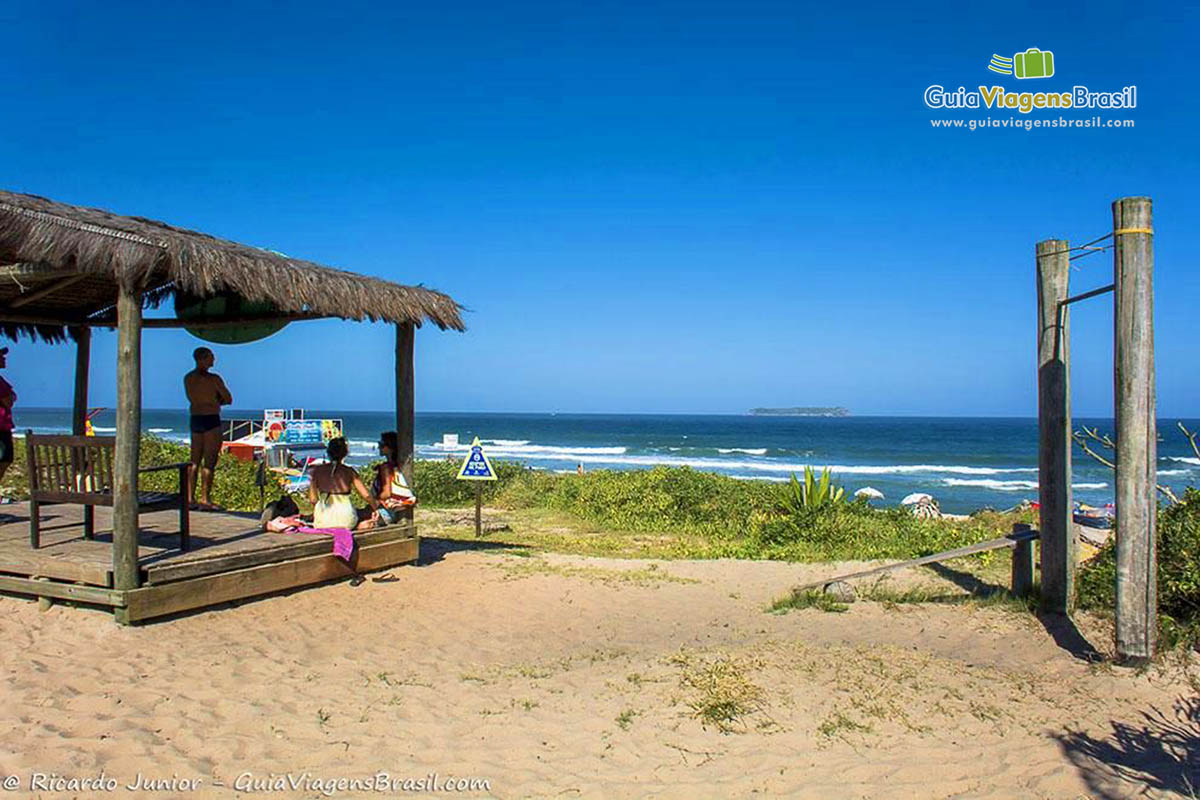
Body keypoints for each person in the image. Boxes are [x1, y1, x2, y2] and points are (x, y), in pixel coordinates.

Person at [184, 346, 233, 510]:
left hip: (196, 418)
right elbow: (228, 398)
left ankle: (189, 498)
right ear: (203, 358)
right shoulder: (213, 379)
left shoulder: (188, 378)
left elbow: (193, 397)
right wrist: (215, 400)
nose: (213, 360)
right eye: (211, 357)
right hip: (211, 418)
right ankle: (205, 499)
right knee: (209, 463)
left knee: (194, 461)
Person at [308, 437, 380, 531]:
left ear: (328, 452)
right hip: (346, 518)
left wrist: (320, 510)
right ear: (345, 453)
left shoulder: (317, 471)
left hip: (323, 520)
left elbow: (313, 499)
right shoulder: (349, 471)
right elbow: (366, 495)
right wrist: (375, 508)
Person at [374, 431, 417, 514]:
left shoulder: (386, 468)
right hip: (395, 508)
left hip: (386, 510)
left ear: (389, 448)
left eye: (381, 444)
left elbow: (386, 493)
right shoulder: (397, 466)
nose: (379, 447)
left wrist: (373, 499)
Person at [0, 347, 15, 484]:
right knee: (5, 458)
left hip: (4, 425)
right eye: (1, 356)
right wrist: (11, 397)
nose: (4, 359)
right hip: (1, 426)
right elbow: (8, 401)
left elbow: (11, 397)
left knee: (6, 458)